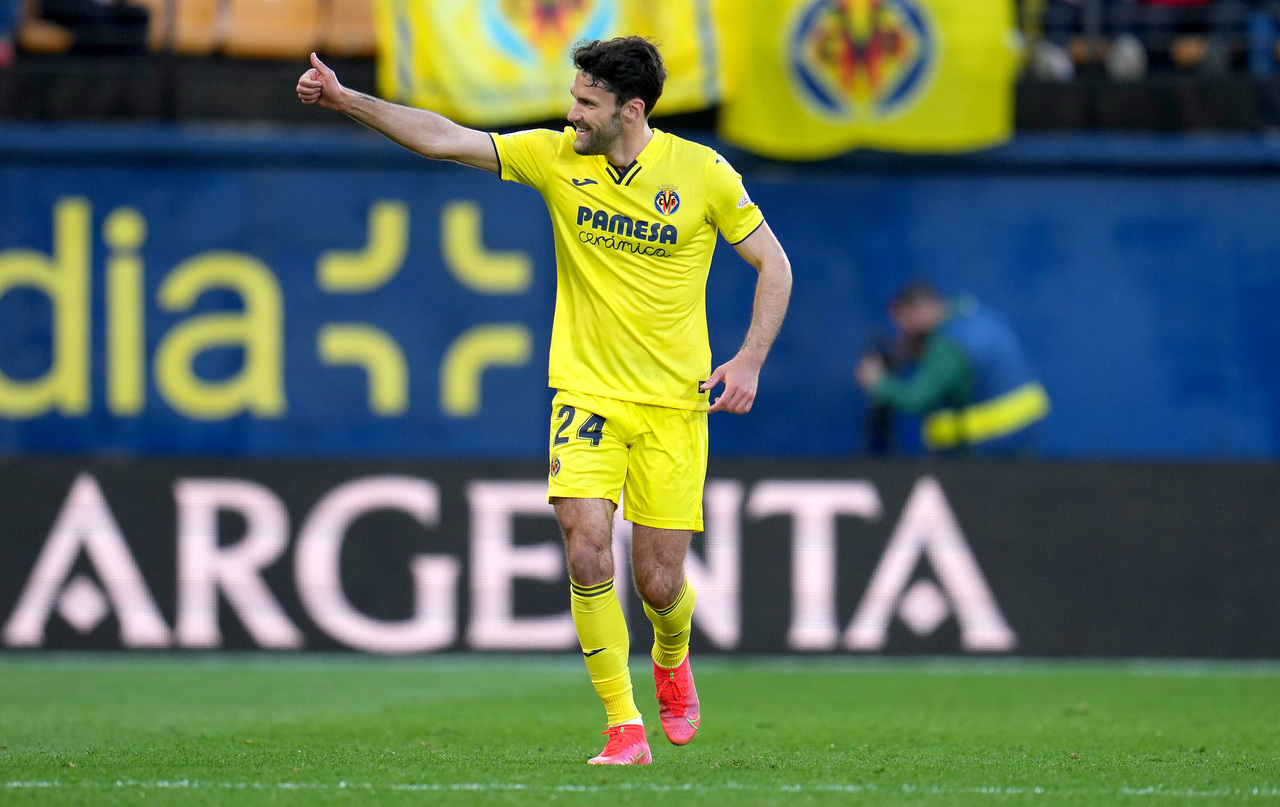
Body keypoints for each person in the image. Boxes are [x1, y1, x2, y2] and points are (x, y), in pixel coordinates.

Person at [296, 37, 792, 765]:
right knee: (586, 549)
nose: (572, 114)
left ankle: (672, 648)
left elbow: (774, 265)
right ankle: (624, 728)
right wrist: (346, 100)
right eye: (573, 98)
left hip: (672, 406)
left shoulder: (703, 173)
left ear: (631, 110)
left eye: (587, 103)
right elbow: (443, 138)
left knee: (659, 584)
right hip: (585, 393)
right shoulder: (556, 157)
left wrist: (749, 358)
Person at [856, 280, 1048, 457]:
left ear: (922, 312)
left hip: (988, 453)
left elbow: (917, 399)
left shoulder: (948, 348)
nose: (903, 334)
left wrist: (878, 383)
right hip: (1023, 438)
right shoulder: (976, 316)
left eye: (905, 325)